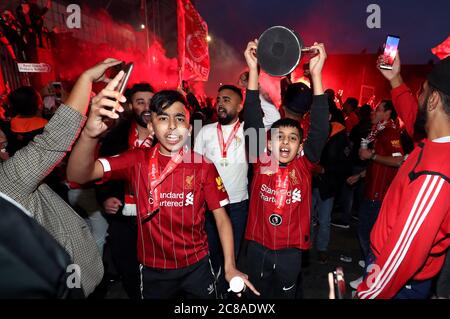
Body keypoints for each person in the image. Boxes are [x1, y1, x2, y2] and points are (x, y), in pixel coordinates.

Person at [67, 80, 259, 299]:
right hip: (153, 269)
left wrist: (229, 267)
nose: (171, 127)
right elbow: (77, 175)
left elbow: (222, 219)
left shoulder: (203, 165)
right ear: (151, 126)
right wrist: (88, 136)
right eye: (163, 118)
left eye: (179, 119)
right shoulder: (136, 160)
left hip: (197, 265)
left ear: (188, 126)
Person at [0, 58, 121, 296]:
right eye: (2, 148)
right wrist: (85, 79)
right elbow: (53, 140)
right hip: (66, 286)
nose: (7, 152)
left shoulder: (14, 125)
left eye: (6, 145)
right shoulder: (7, 181)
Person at [356, 54, 450, 299]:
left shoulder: (436, 175)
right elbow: (412, 116)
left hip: (396, 279)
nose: (417, 96)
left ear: (434, 101)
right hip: (391, 269)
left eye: (422, 91)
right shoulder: (434, 142)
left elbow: (404, 252)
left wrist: (367, 293)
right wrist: (395, 79)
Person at [242, 40, 329, 298]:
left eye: (293, 138)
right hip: (257, 246)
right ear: (268, 141)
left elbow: (321, 130)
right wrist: (254, 71)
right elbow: (252, 116)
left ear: (300, 144)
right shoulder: (262, 159)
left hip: (291, 251)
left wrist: (316, 75)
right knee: (255, 297)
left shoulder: (304, 164)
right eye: (280, 136)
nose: (285, 142)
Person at [95, 82, 155, 299]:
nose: (147, 107)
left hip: (157, 216)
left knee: (158, 270)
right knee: (128, 267)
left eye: (151, 101)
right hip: (124, 218)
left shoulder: (169, 136)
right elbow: (100, 174)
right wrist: (105, 198)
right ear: (131, 106)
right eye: (141, 102)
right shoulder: (115, 138)